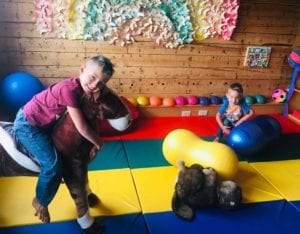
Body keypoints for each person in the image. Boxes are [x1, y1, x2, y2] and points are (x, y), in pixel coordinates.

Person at [13, 55, 114, 223]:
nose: (95, 85)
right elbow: (81, 127)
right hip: (28, 125)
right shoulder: (69, 89)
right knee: (52, 164)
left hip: (46, 124)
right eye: (93, 77)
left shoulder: (85, 90)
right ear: (82, 70)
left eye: (101, 83)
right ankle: (41, 201)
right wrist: (99, 142)